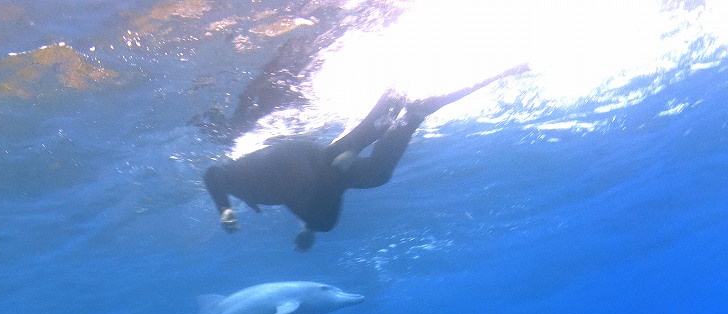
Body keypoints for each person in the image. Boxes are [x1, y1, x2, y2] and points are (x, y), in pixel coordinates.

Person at [204, 64, 528, 251]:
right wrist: (308, 227)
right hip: (316, 180)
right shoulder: (305, 207)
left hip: (307, 164)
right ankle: (411, 113)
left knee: (363, 140)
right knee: (377, 174)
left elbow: (213, 175)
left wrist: (225, 210)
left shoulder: (239, 176)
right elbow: (305, 200)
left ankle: (402, 85)